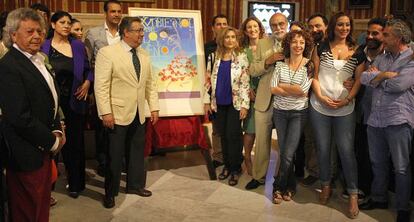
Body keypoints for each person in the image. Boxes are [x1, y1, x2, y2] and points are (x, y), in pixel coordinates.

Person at [0, 8, 65, 221]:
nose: (36, 36)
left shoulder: (38, 59)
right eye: (29, 31)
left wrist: (56, 127)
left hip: (42, 147)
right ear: (13, 35)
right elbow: (19, 116)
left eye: (39, 30)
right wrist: (52, 141)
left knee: (40, 206)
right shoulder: (9, 66)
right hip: (25, 151)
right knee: (27, 210)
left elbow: (50, 100)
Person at [95, 16, 159, 209]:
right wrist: (105, 112)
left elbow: (150, 84)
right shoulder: (108, 53)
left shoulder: (145, 54)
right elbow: (101, 86)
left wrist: (153, 107)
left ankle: (135, 185)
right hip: (117, 113)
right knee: (114, 155)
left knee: (137, 152)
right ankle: (111, 193)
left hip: (139, 112)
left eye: (142, 30)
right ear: (126, 32)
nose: (142, 34)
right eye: (138, 30)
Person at [310, 12, 365, 219]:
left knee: (346, 150)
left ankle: (352, 193)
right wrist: (321, 97)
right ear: (333, 26)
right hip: (319, 105)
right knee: (323, 148)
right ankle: (325, 185)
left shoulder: (357, 51)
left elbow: (359, 80)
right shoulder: (321, 47)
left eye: (347, 25)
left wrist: (348, 98)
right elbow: (314, 77)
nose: (344, 28)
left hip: (345, 107)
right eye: (340, 24)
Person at [359, 19, 414, 222]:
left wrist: (378, 78)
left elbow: (398, 85)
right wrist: (384, 75)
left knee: (401, 167)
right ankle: (380, 198)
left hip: (398, 119)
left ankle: (402, 208)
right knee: (377, 162)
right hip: (376, 119)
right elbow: (364, 78)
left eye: (387, 34)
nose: (382, 37)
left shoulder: (411, 59)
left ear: (398, 38)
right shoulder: (383, 57)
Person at [41, 10, 92, 199]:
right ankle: (48, 186)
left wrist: (87, 83)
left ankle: (76, 184)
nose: (66, 25)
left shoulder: (77, 46)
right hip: (51, 104)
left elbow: (88, 70)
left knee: (75, 144)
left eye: (68, 22)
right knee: (51, 144)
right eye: (62, 22)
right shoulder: (43, 46)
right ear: (53, 25)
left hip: (74, 101)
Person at [270, 30, 314, 204]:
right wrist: (292, 89)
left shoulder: (309, 65)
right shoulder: (280, 64)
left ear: (306, 45)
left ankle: (277, 187)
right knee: (285, 151)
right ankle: (290, 186)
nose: (298, 45)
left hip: (298, 113)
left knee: (288, 153)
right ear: (288, 44)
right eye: (294, 42)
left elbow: (303, 91)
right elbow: (273, 88)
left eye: (301, 42)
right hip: (279, 112)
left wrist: (284, 86)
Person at [246, 12, 288, 190]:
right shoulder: (263, 43)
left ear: (286, 24)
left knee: (285, 143)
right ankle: (259, 176)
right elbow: (252, 69)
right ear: (270, 27)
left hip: (288, 99)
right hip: (265, 99)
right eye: (274, 25)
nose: (278, 28)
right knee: (262, 141)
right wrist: (267, 61)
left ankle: (281, 177)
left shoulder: (295, 40)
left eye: (281, 24)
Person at [204, 26, 250, 186]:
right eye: (227, 37)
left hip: (235, 104)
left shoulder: (242, 57)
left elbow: (245, 83)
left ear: (236, 40)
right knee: (222, 135)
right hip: (219, 103)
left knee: (234, 136)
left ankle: (236, 168)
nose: (230, 40)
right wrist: (206, 101)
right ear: (222, 40)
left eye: (233, 37)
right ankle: (227, 166)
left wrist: (244, 105)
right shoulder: (213, 57)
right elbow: (207, 81)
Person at [84, 0, 122, 177]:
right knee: (102, 125)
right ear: (105, 13)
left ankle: (118, 160)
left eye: (119, 11)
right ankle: (103, 161)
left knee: (120, 124)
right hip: (101, 84)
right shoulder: (93, 33)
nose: (116, 14)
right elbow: (88, 61)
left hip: (122, 85)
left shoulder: (125, 32)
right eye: (113, 11)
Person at [352, 17, 386, 201]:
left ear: (384, 35)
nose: (370, 36)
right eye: (369, 32)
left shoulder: (388, 57)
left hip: (380, 112)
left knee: (376, 154)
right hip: (358, 110)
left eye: (376, 33)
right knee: (360, 150)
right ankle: (362, 187)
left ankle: (378, 191)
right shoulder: (359, 53)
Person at [301, 13, 329, 186]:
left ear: (326, 26)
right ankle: (313, 170)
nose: (314, 30)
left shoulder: (331, 45)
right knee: (310, 137)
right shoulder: (306, 46)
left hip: (327, 97)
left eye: (318, 26)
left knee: (326, 139)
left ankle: (329, 173)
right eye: (311, 27)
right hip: (306, 98)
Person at [239, 17, 265, 176]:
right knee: (250, 129)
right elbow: (241, 72)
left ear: (260, 28)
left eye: (255, 26)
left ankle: (261, 161)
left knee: (264, 130)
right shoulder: (242, 49)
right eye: (249, 27)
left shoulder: (268, 46)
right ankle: (247, 157)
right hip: (251, 92)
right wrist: (248, 90)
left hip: (268, 91)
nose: (253, 29)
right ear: (245, 30)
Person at [204, 14, 228, 168]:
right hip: (214, 95)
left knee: (232, 129)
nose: (222, 27)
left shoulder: (236, 46)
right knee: (217, 129)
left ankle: (232, 156)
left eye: (224, 24)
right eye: (218, 24)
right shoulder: (206, 48)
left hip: (232, 94)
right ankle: (218, 157)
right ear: (213, 28)